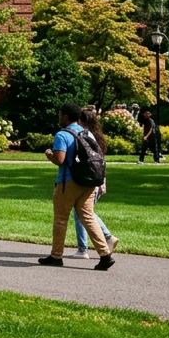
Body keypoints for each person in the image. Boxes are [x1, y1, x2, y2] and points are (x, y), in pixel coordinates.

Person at [39, 102, 115, 270]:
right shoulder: (87, 133)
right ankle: (105, 255)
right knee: (88, 216)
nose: (59, 117)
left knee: (60, 219)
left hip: (68, 182)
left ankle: (56, 256)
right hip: (89, 182)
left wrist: (49, 155)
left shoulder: (62, 135)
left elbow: (60, 160)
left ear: (65, 116)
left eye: (60, 114)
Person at [70, 108, 120, 259]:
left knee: (83, 213)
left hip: (91, 180)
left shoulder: (86, 138)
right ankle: (99, 241)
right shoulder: (97, 137)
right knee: (84, 212)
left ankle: (86, 247)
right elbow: (101, 162)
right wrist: (103, 181)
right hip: (97, 179)